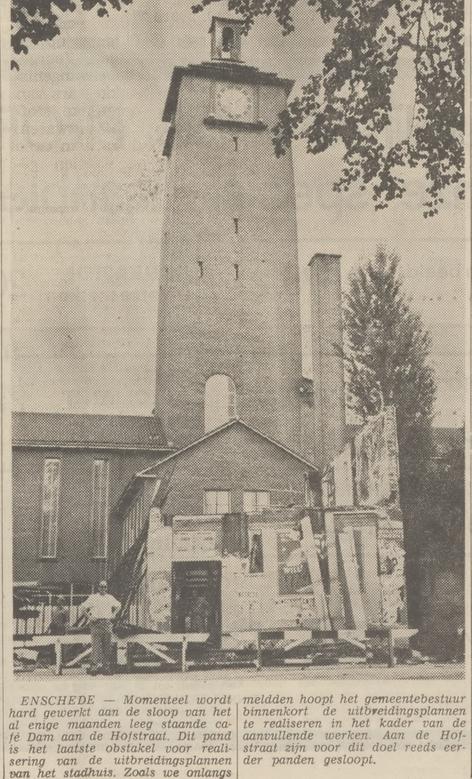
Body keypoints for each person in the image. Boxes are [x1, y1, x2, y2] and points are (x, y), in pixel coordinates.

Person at [81, 581, 120, 675]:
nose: (103, 588)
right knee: (96, 646)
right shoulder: (93, 597)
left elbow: (119, 605)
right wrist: (90, 617)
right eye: (101, 586)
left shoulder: (110, 598)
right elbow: (82, 607)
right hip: (96, 623)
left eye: (105, 587)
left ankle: (105, 667)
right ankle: (94, 667)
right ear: (98, 588)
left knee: (107, 646)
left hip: (107, 623)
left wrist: (113, 614)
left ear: (107, 588)